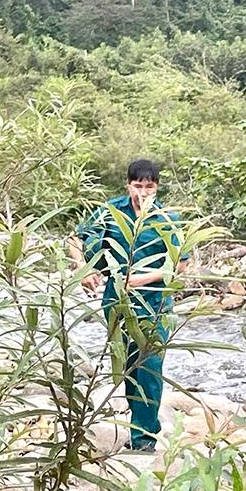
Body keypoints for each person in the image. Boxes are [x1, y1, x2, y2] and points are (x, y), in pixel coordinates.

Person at [68, 158, 188, 454]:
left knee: (150, 364)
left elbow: (180, 264)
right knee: (126, 365)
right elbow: (74, 239)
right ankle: (137, 426)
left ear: (157, 187)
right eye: (138, 186)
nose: (143, 192)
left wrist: (142, 278)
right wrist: (84, 268)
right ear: (128, 185)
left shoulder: (166, 219)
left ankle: (145, 437)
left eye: (149, 186)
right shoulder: (111, 212)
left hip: (155, 301)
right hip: (117, 298)